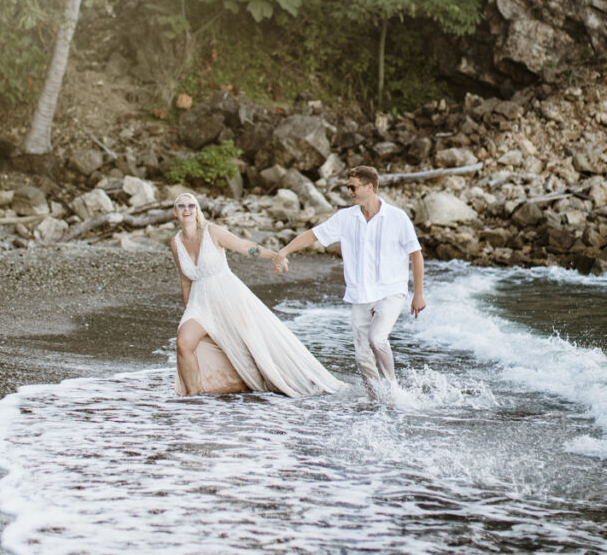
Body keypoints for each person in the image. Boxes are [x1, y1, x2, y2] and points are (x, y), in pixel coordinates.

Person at [170, 192, 344, 397]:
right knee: (184, 343)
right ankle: (192, 396)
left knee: (251, 348)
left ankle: (270, 381)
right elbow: (185, 280)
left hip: (227, 296)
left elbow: (245, 247)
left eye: (191, 205)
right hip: (199, 304)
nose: (187, 210)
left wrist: (274, 256)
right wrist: (188, 309)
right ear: (175, 212)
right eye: (182, 206)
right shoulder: (176, 242)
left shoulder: (212, 231)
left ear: (197, 210)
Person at [272, 165, 425, 395]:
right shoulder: (345, 217)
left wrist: (418, 294)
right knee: (363, 357)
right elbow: (314, 235)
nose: (349, 192)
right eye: (348, 187)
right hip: (360, 293)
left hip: (391, 290)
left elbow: (416, 255)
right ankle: (377, 399)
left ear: (369, 187)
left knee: (377, 338)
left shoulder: (397, 217)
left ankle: (393, 391)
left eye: (353, 187)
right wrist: (284, 251)